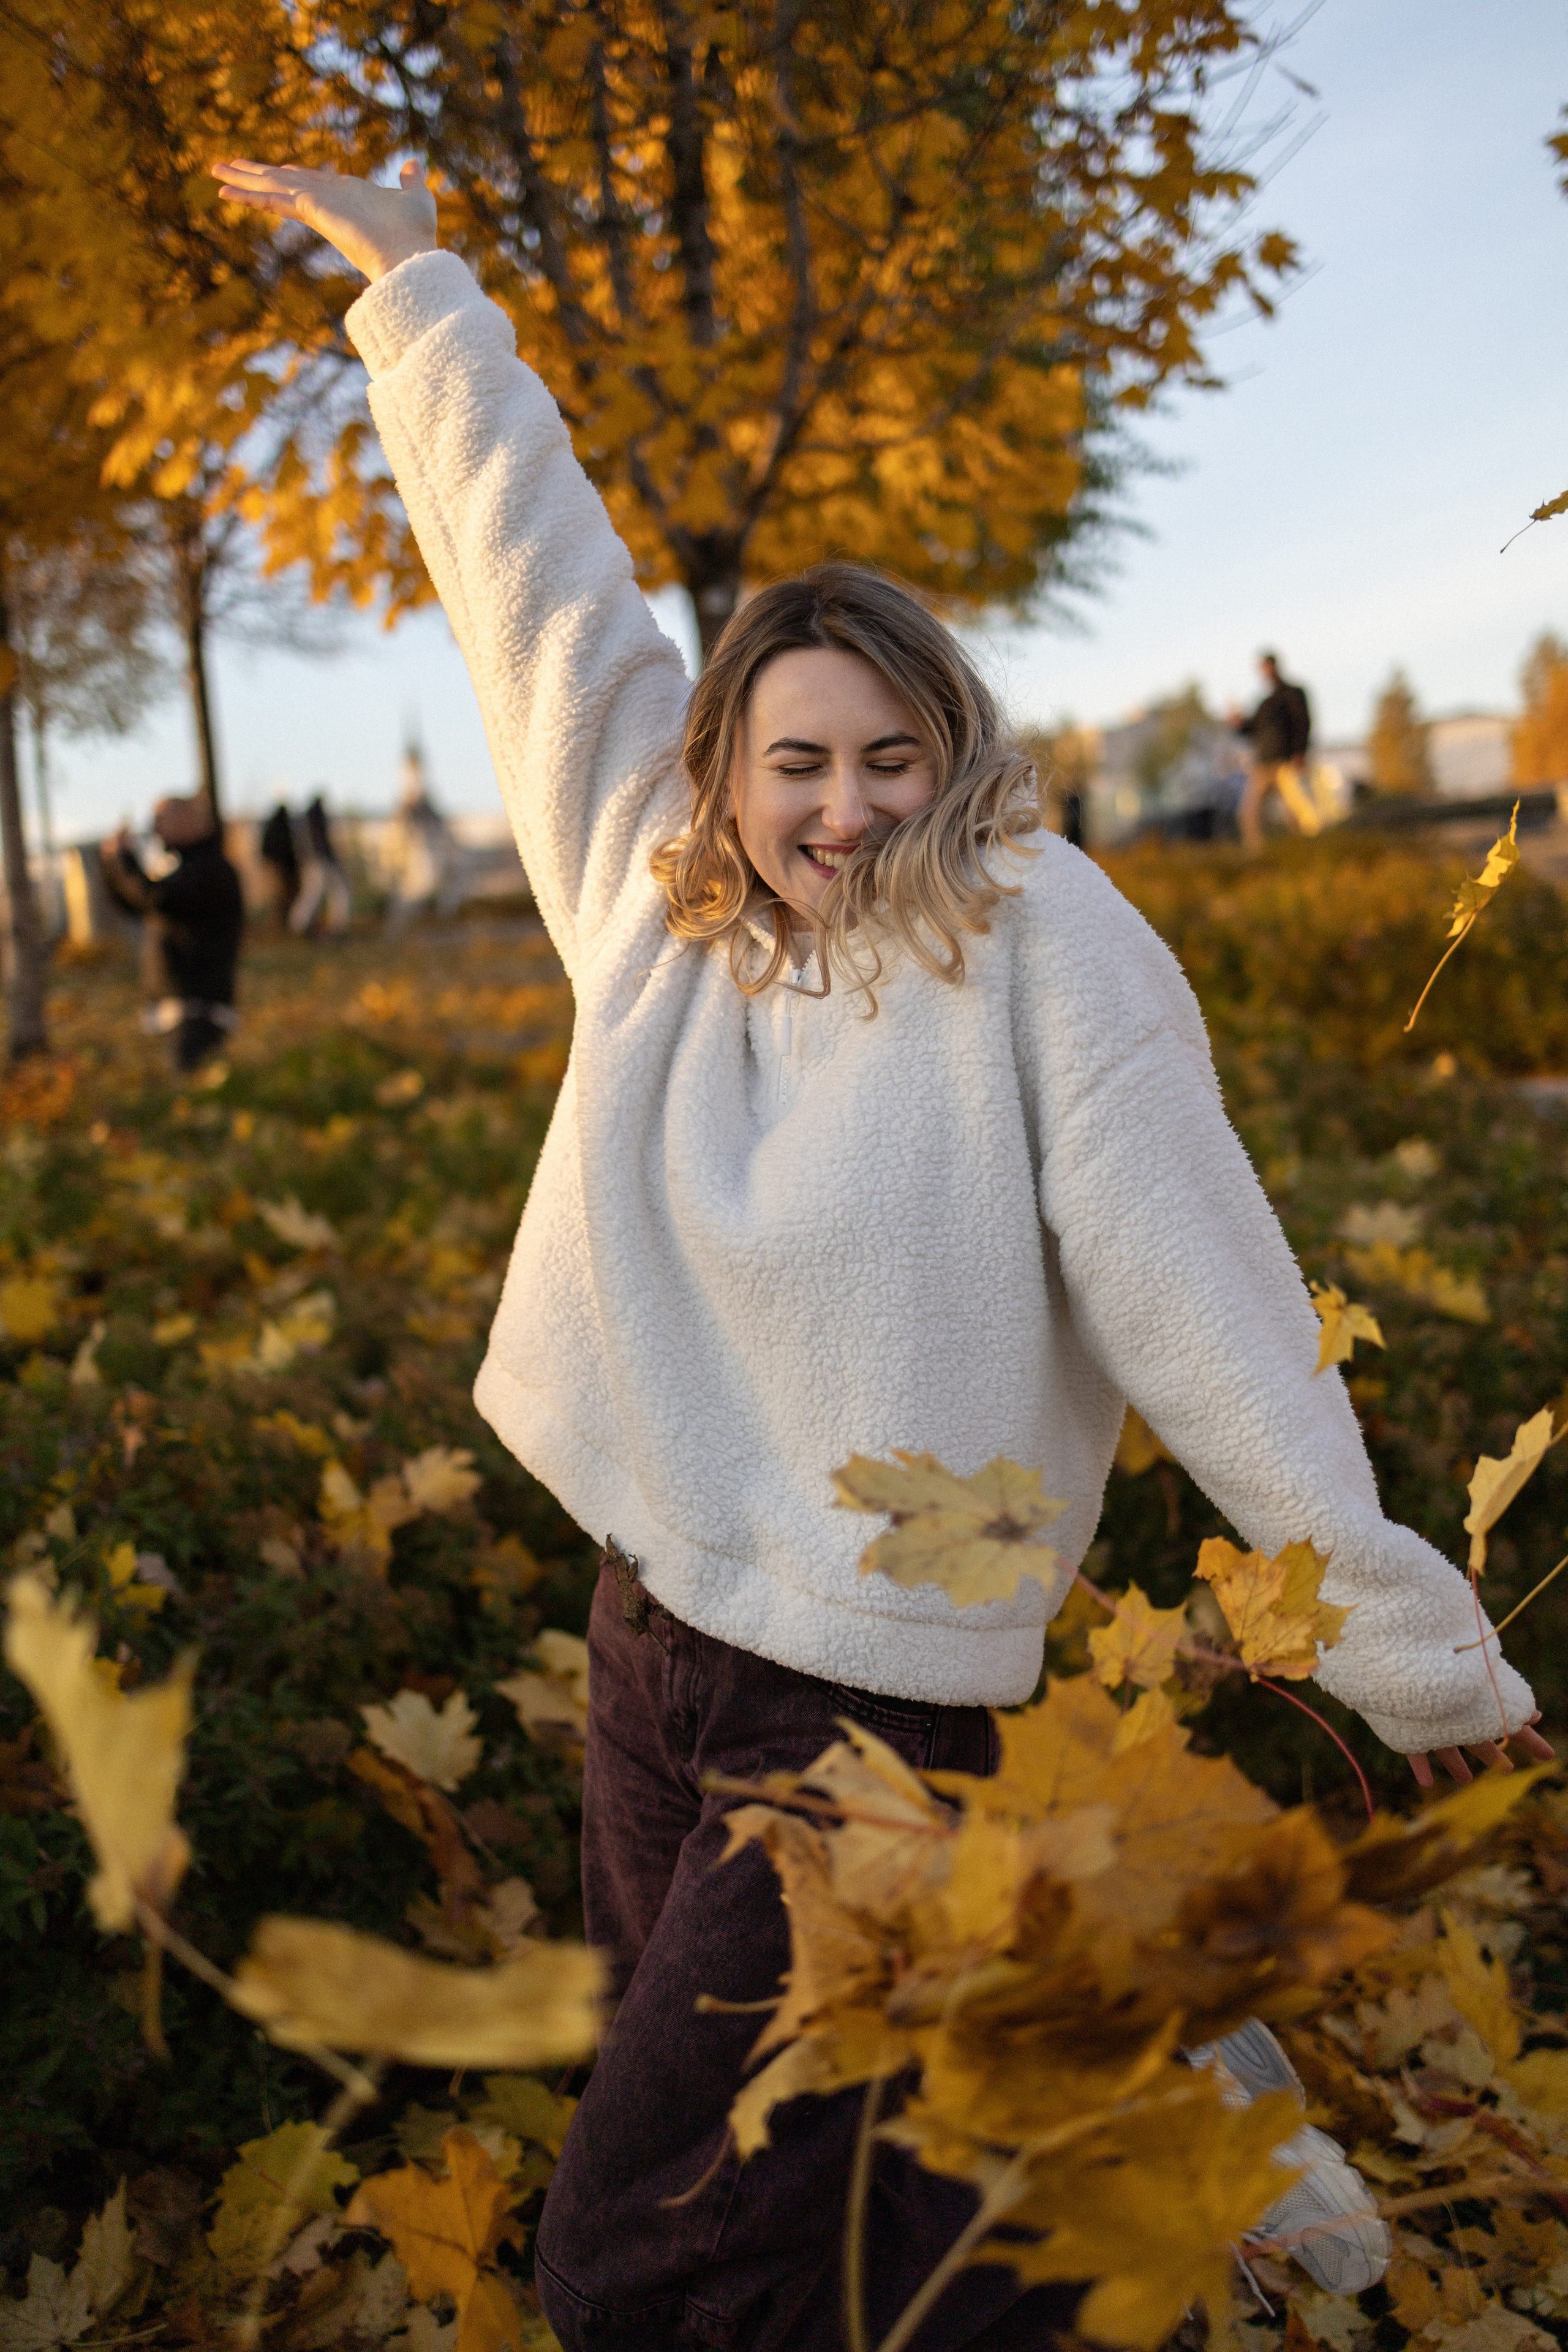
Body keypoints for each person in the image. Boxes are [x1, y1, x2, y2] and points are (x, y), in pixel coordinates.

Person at [214, 159, 1551, 2352]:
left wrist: (1411, 1654)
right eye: (796, 764)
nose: (838, 809)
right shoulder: (652, 897)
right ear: (725, 771)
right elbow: (538, 590)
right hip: (651, 1634)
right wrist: (419, 288)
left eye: (887, 761)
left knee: (638, 2252)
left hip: (868, 1710)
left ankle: (1147, 2125)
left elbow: (1210, 1310)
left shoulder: (1036, 944)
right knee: (833, 2177)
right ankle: (1138, 2114)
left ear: (950, 759)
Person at [103, 793, 244, 1074]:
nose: (154, 828)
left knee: (192, 1085)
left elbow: (159, 899)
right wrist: (111, 865)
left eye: (160, 819)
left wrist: (126, 860)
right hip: (179, 1006)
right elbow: (139, 905)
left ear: (188, 821)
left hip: (199, 1008)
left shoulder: (211, 869)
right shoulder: (183, 866)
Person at [1232, 651, 1314, 849]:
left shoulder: (1293, 694)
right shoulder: (1265, 704)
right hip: (1263, 765)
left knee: (1298, 813)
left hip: (1286, 764)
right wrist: (1239, 725)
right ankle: (1257, 854)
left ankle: (1305, 850)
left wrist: (1300, 753)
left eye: (1268, 667)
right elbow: (1253, 730)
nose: (1266, 672)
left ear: (1275, 666)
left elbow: (1303, 724)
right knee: (1248, 814)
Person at [289, 791, 352, 935]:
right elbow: (321, 842)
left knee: (323, 892)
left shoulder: (306, 819)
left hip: (314, 861)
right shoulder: (316, 819)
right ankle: (299, 924)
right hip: (318, 862)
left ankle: (301, 924)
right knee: (315, 893)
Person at [258, 799, 301, 930]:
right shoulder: (282, 828)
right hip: (281, 868)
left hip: (278, 867)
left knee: (280, 897)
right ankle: (278, 924)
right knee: (281, 897)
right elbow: (287, 850)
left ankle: (280, 924)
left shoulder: (273, 827)